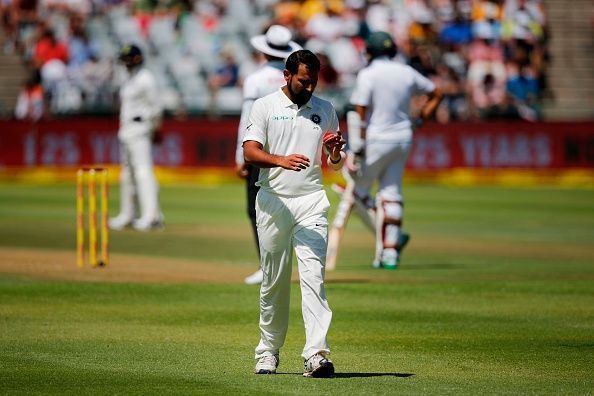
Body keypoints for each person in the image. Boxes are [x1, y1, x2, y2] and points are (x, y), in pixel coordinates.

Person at [242, 49, 346, 378]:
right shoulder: (265, 106)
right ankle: (268, 351)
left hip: (311, 200)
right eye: (304, 81)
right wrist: (280, 160)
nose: (311, 87)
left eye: (314, 81)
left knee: (314, 277)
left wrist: (334, 152)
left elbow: (335, 161)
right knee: (274, 281)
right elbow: (250, 151)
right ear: (287, 76)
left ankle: (316, 354)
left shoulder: (326, 109)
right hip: (274, 199)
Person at [334, 31, 443, 269]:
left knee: (354, 188)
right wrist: (423, 115)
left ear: (369, 52)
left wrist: (358, 147)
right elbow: (437, 92)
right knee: (392, 192)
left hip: (376, 139)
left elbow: (359, 111)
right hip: (403, 138)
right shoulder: (405, 71)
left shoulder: (369, 74)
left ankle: (385, 230)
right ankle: (390, 252)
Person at [236, 25, 302, 285]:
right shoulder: (294, 78)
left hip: (262, 152)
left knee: (257, 208)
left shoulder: (255, 79)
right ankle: (282, 264)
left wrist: (241, 157)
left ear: (264, 51)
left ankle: (268, 267)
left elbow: (246, 121)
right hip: (292, 149)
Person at [108, 44, 164, 231]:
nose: (125, 63)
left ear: (137, 59)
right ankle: (127, 215)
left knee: (142, 172)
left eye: (127, 59)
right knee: (127, 174)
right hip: (126, 130)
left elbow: (156, 108)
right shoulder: (129, 79)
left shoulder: (146, 79)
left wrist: (155, 129)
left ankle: (151, 216)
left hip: (140, 129)